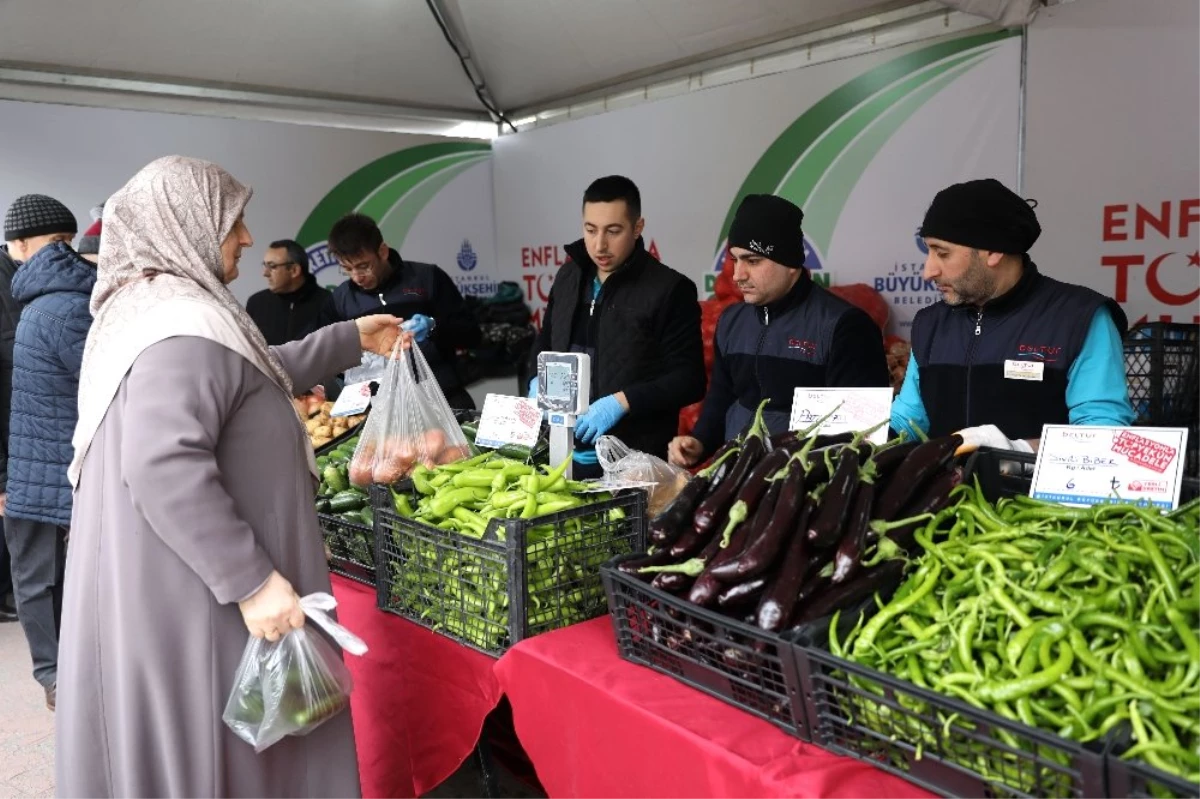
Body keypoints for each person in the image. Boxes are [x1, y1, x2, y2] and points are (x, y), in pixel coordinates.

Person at [56, 156, 397, 798]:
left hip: (172, 589)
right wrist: (253, 582)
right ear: (186, 224)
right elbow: (161, 462)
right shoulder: (177, 330)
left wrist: (350, 337)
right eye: (234, 222)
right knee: (227, 764)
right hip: (200, 606)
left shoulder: (163, 310)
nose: (246, 238)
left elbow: (247, 376)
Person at [889, 178, 1134, 452]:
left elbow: (1104, 433)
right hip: (946, 494)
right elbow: (908, 420)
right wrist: (854, 439)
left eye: (942, 253)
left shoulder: (1079, 317)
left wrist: (1018, 451)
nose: (928, 271)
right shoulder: (930, 323)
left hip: (1035, 494)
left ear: (993, 251)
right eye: (929, 251)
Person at [669, 194, 889, 467]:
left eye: (752, 261)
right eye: (736, 260)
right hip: (736, 482)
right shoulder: (731, 322)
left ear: (790, 263)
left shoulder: (846, 327)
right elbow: (722, 397)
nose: (738, 274)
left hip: (807, 489)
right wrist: (699, 441)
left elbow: (860, 437)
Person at [529, 175, 705, 477]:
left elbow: (689, 379)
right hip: (562, 453)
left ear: (637, 228)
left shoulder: (669, 289)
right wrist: (536, 379)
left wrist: (621, 402)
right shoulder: (568, 277)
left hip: (634, 459)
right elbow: (547, 341)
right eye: (590, 229)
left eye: (614, 231)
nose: (600, 244)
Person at [6, 200, 97, 711]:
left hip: (44, 464)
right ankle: (62, 674)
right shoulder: (70, 296)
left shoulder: (49, 303)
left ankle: (58, 677)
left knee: (39, 579)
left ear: (22, 244)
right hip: (53, 460)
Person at [315, 213, 481, 409]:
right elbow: (326, 352)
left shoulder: (427, 278)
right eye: (346, 269)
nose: (357, 277)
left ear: (383, 251)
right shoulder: (340, 300)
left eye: (363, 266)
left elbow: (472, 335)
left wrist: (433, 326)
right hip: (378, 407)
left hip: (440, 395)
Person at [246, 238, 332, 345]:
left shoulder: (328, 304)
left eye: (272, 266)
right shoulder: (256, 303)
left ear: (294, 270)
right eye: (265, 265)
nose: (265, 273)